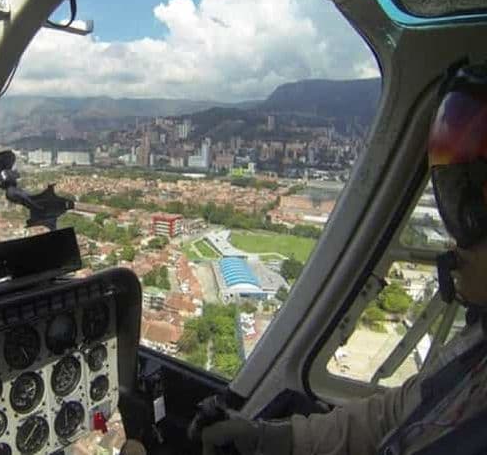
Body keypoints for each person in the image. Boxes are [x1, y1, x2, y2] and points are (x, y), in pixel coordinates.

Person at [199, 60, 487, 455]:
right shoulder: (476, 349)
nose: (457, 233)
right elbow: (397, 415)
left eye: (470, 207)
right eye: (459, 197)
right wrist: (274, 439)